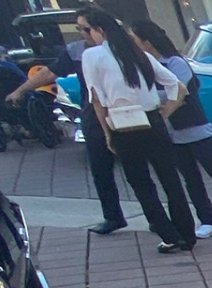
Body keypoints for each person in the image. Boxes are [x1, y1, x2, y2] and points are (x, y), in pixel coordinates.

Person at [78, 6, 195, 253]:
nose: (85, 35)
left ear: (99, 30)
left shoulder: (93, 56)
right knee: (170, 178)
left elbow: (97, 100)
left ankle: (168, 234)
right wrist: (165, 112)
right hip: (152, 118)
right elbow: (179, 87)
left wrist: (107, 133)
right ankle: (186, 233)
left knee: (140, 181)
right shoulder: (139, 54)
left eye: (86, 30)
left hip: (123, 122)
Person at [129, 20, 212, 239]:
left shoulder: (175, 63)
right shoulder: (145, 66)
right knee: (191, 180)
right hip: (173, 134)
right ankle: (207, 221)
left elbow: (177, 94)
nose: (132, 44)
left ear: (147, 42)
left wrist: (156, 106)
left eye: (134, 39)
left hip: (197, 130)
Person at [4, 9, 127, 234]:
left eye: (86, 29)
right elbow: (49, 73)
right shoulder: (77, 51)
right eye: (79, 29)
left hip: (124, 111)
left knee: (137, 169)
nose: (82, 33)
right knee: (100, 170)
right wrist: (20, 90)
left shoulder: (123, 47)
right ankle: (113, 217)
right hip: (93, 114)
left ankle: (155, 217)